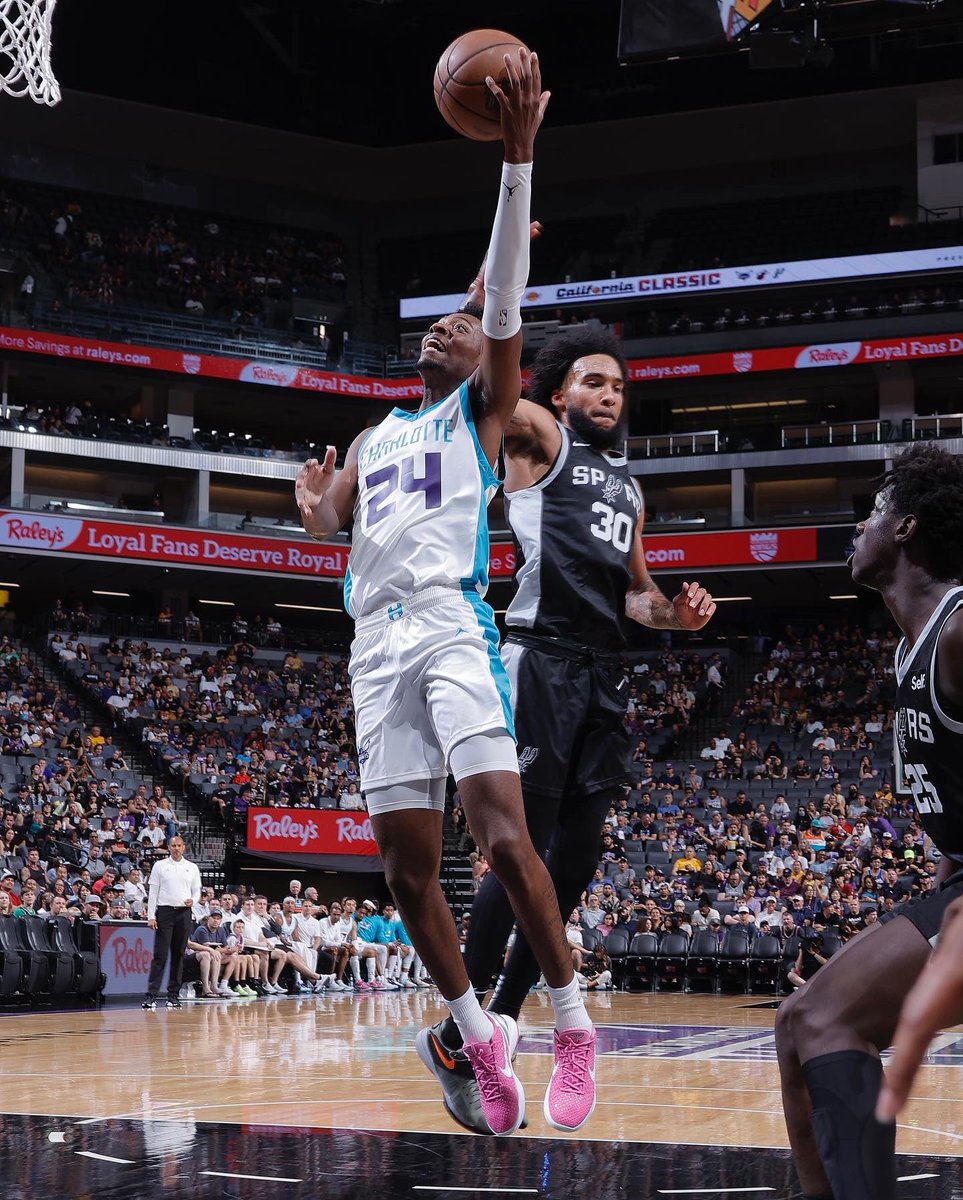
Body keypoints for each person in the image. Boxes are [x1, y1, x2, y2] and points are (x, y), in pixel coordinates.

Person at [295, 51, 587, 1139]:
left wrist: (516, 164)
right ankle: (470, 1038)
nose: (443, 327)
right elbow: (339, 534)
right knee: (409, 872)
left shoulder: (478, 409)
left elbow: (500, 292)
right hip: (373, 641)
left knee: (503, 836)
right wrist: (321, 509)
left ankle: (567, 1022)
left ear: (485, 365)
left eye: (461, 329)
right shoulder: (378, 434)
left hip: (454, 620)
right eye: (437, 324)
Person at [416, 320, 714, 1132]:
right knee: (522, 851)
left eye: (617, 385)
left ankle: (480, 1031)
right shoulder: (542, 439)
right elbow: (489, 384)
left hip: (601, 672)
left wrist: (677, 617)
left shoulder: (630, 489)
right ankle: (472, 1022)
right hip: (537, 660)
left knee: (577, 857)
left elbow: (636, 596)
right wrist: (486, 313)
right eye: (592, 382)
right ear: (559, 394)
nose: (608, 394)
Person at [775, 443, 963, 1200]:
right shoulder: (908, 651)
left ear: (908, 528)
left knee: (823, 1021)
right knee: (799, 1023)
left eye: (874, 511)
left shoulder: (957, 628)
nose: (859, 525)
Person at [143, 835, 201, 1010]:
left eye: (179, 845)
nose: (176, 848)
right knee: (160, 955)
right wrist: (151, 916)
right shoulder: (160, 866)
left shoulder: (192, 867)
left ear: (184, 847)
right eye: (173, 845)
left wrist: (194, 900)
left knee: (179, 954)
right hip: (165, 912)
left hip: (184, 912)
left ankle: (173, 995)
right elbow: (153, 892)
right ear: (168, 847)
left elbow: (196, 890)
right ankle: (151, 995)